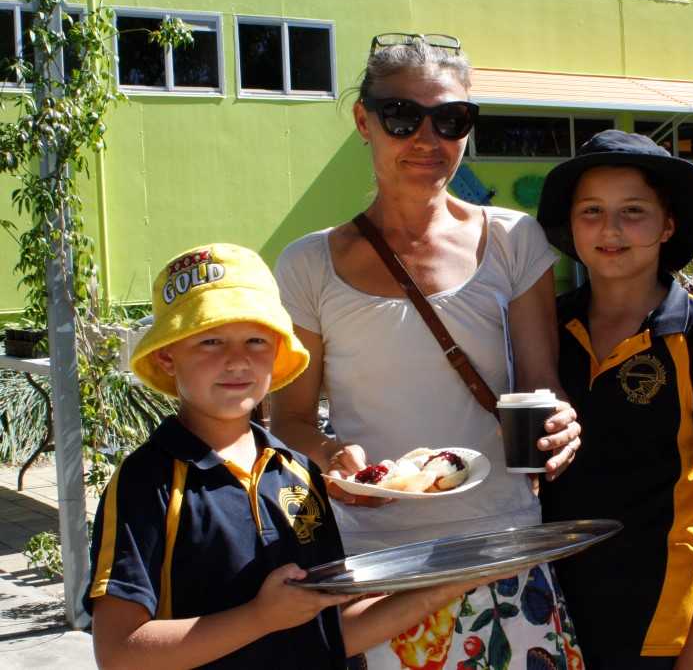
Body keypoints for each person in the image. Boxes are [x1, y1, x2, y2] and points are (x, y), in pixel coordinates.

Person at [271, 34, 585, 669]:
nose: (426, 139)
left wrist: (559, 425)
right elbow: (290, 419)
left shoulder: (513, 241)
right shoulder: (310, 263)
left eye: (450, 119)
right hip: (378, 564)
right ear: (364, 121)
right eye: (401, 117)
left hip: (501, 548)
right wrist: (334, 459)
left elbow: (540, 383)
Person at [86, 243, 502, 669]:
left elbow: (334, 629)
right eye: (210, 341)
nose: (237, 360)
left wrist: (451, 580)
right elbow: (119, 653)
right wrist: (259, 617)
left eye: (255, 340)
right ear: (167, 357)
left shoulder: (297, 471)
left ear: (278, 351)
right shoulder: (146, 480)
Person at [535, 130, 693, 669]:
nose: (610, 229)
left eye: (633, 211)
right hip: (545, 609)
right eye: (591, 211)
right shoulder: (545, 328)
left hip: (661, 620)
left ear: (668, 224)